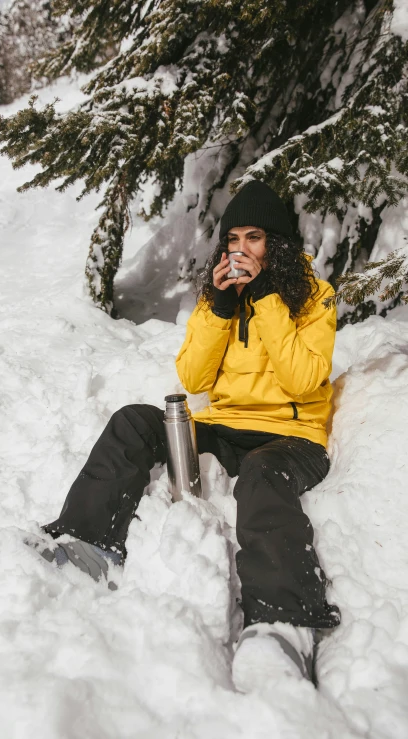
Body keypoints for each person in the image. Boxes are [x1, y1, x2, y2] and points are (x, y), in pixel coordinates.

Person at [35, 181, 340, 688]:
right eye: (233, 239)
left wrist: (265, 300)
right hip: (222, 427)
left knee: (263, 477)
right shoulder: (219, 296)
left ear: (278, 243)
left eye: (254, 238)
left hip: (290, 437)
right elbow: (194, 378)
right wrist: (220, 308)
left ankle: (285, 621)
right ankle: (87, 542)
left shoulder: (313, 297)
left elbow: (303, 380)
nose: (241, 250)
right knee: (135, 419)